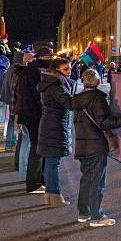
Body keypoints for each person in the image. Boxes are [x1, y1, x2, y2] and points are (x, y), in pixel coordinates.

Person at [71, 69, 121, 226]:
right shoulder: (97, 99)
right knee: (96, 181)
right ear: (96, 81)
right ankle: (97, 216)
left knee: (86, 179)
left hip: (82, 145)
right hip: (95, 145)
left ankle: (84, 212)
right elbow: (104, 122)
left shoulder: (77, 99)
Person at [15, 47, 54, 194]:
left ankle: (38, 180)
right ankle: (34, 184)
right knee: (37, 149)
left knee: (36, 148)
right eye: (49, 57)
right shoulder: (36, 73)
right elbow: (39, 97)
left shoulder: (31, 70)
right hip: (34, 116)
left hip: (29, 114)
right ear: (43, 58)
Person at [37, 57, 75, 207]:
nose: (70, 71)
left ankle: (50, 195)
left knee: (51, 162)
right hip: (54, 126)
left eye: (70, 68)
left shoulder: (53, 83)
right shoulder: (55, 85)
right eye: (66, 69)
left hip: (51, 124)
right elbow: (69, 103)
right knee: (53, 162)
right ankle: (54, 195)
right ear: (56, 70)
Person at [0, 55, 11, 126]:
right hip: (2, 91)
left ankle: (1, 121)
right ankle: (2, 121)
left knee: (2, 106)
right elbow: (5, 81)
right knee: (3, 106)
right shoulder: (3, 71)